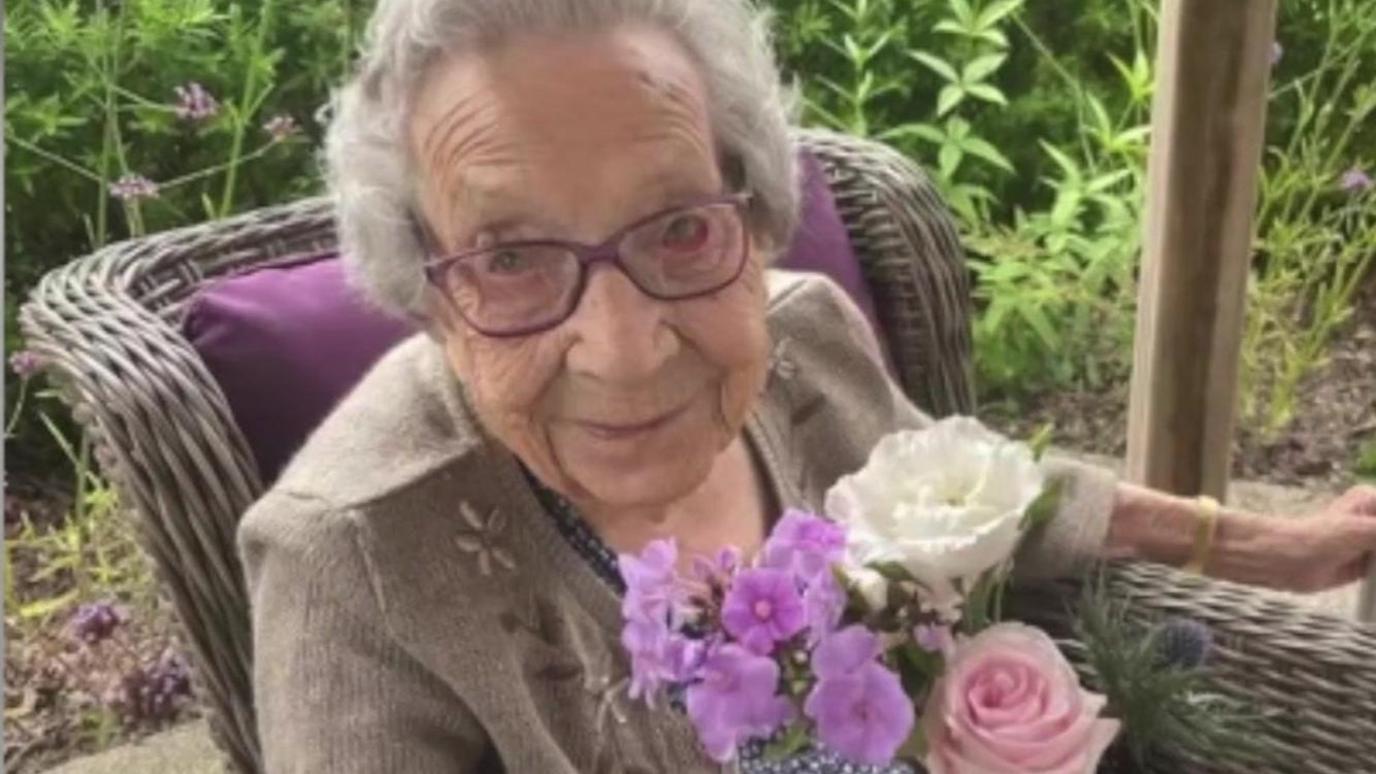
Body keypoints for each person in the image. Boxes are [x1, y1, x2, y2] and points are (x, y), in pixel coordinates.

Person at [238, 0, 1376, 771]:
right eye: (507, 258)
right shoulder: (354, 560)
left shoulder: (801, 345)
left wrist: (1259, 546)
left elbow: (980, 502)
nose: (624, 350)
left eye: (679, 227)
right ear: (425, 290)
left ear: (757, 215)